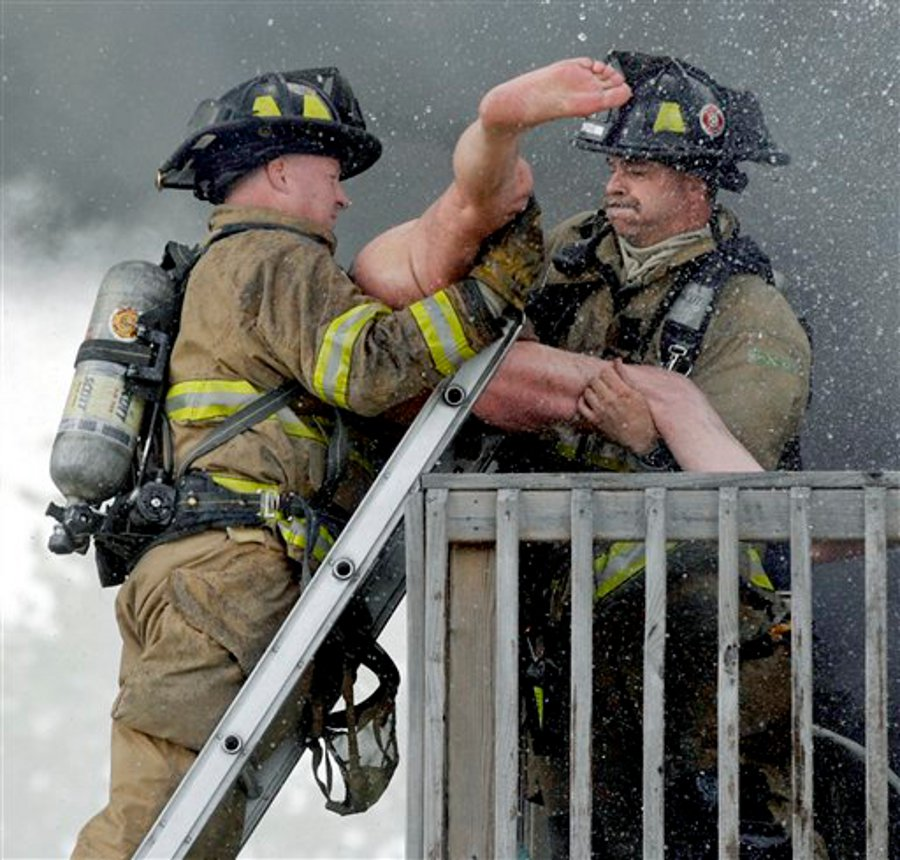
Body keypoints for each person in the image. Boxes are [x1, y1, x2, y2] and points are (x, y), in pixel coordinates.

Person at [70, 66, 545, 860]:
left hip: (203, 573)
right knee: (159, 822)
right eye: (332, 175)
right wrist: (487, 298)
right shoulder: (275, 258)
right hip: (226, 578)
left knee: (191, 817)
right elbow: (369, 369)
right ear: (282, 171)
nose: (345, 199)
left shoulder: (232, 266)